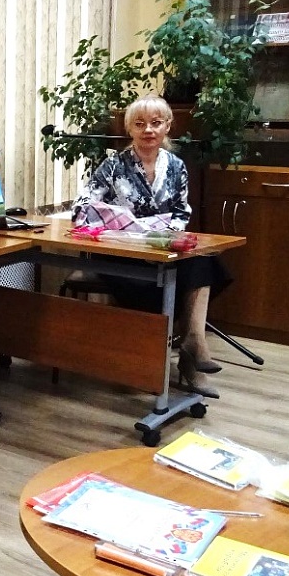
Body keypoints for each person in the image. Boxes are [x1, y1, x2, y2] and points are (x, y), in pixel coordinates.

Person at [71, 94, 231, 398]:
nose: (148, 130)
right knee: (160, 280)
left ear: (167, 126)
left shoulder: (176, 166)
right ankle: (156, 360)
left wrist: (166, 234)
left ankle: (193, 344)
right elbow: (83, 206)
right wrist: (117, 221)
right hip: (124, 253)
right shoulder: (113, 166)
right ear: (129, 128)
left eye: (156, 123)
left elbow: (181, 212)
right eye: (140, 123)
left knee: (204, 262)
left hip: (162, 249)